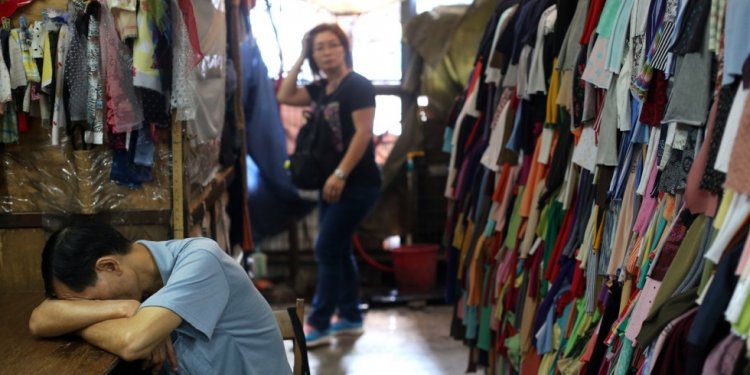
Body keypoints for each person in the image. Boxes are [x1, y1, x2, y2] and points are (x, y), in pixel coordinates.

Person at [28, 224, 291, 375]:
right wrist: (124, 308)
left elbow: (133, 342)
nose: (93, 309)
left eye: (90, 302)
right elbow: (40, 319)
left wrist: (76, 324)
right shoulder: (136, 291)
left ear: (108, 266)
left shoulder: (202, 259)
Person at [277, 23, 381, 347]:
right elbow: (284, 95)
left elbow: (364, 133)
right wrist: (300, 55)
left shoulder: (358, 86)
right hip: (330, 185)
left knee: (326, 248)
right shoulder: (322, 89)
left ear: (344, 48)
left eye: (331, 45)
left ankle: (319, 322)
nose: (326, 52)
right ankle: (350, 316)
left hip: (356, 183)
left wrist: (340, 174)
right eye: (319, 47)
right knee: (339, 249)